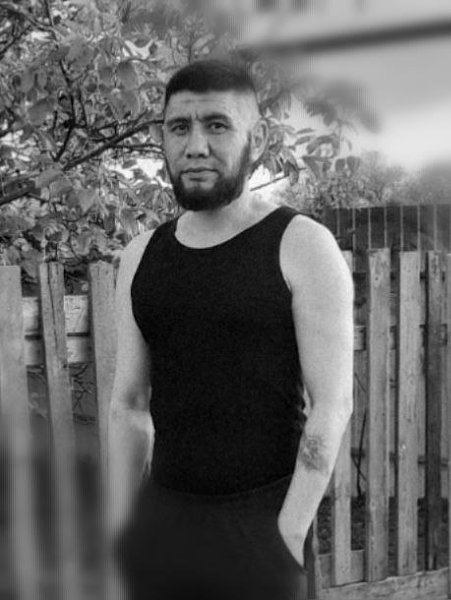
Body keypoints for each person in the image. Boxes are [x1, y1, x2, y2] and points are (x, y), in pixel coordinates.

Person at [108, 59, 354, 600]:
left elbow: (332, 406)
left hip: (261, 527)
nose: (195, 145)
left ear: (257, 139)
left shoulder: (302, 245)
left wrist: (287, 535)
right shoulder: (140, 256)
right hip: (163, 523)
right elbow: (128, 404)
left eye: (217, 125)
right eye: (179, 127)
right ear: (163, 138)